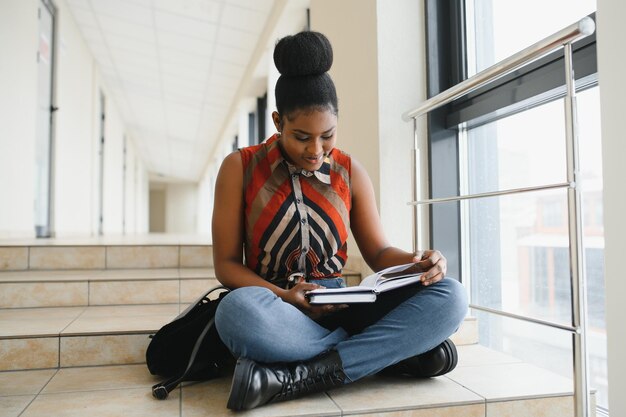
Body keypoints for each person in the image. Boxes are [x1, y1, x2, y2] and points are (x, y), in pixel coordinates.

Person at [212, 31, 468, 411]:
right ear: (278, 121)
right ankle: (389, 353)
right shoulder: (241, 167)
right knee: (235, 313)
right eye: (301, 137)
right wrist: (284, 296)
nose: (316, 151)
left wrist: (421, 263)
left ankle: (299, 375)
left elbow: (378, 252)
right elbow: (227, 266)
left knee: (451, 297)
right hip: (280, 309)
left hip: (346, 306)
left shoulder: (349, 171)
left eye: (327, 136)